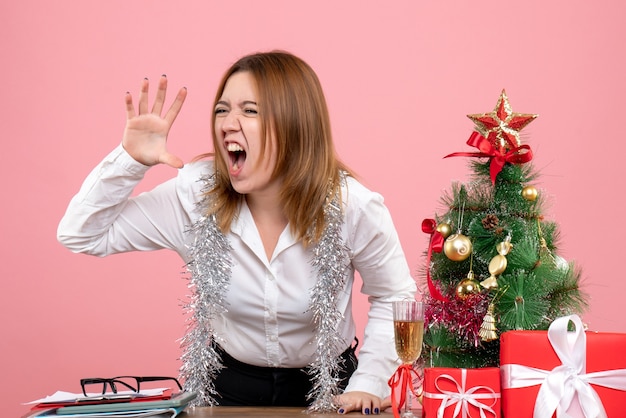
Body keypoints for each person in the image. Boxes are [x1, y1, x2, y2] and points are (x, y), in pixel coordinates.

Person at [57, 50, 417, 415]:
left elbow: (394, 294)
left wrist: (370, 382)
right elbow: (81, 233)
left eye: (249, 110)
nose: (228, 123)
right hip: (226, 390)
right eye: (222, 110)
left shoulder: (352, 204)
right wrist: (129, 160)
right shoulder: (194, 195)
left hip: (332, 390)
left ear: (295, 124)